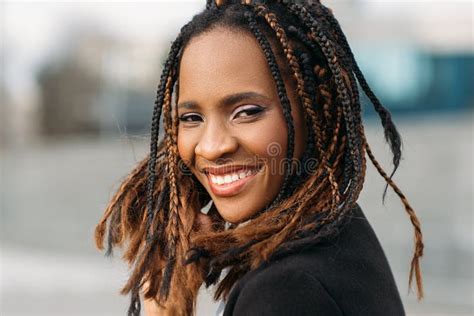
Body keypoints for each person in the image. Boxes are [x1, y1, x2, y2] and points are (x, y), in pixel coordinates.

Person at [94, 1, 424, 315]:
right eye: (191, 118)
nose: (211, 147)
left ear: (313, 114)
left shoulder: (285, 290)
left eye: (247, 112)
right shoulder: (334, 234)